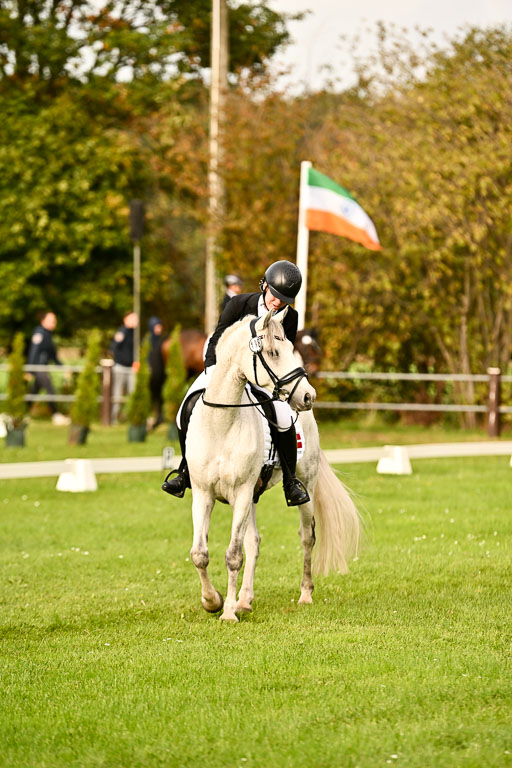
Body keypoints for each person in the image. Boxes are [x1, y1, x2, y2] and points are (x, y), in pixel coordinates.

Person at [162, 260, 310, 506]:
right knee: (184, 410)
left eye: (283, 299)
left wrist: (274, 383)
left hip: (264, 379)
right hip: (225, 373)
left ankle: (290, 482)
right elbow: (217, 337)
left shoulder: (290, 317)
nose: (277, 302)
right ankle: (185, 470)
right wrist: (212, 370)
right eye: (274, 295)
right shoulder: (239, 304)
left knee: (284, 418)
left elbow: (283, 354)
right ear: (265, 286)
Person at [27, 311, 70, 425]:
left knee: (33, 392)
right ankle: (56, 415)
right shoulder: (39, 333)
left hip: (43, 367)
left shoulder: (49, 335)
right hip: (38, 368)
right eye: (51, 320)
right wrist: (30, 370)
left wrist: (63, 368)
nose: (54, 322)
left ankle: (23, 413)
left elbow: (53, 356)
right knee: (50, 389)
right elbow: (33, 352)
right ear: (43, 321)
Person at [110, 310, 138, 422]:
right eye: (133, 318)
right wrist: (121, 360)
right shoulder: (122, 332)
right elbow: (113, 348)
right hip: (121, 367)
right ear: (126, 319)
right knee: (117, 394)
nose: (136, 321)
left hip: (131, 368)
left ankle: (132, 417)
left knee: (132, 393)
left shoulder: (135, 333)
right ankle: (113, 418)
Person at [147, 316, 165, 427]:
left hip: (160, 373)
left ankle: (160, 416)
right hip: (151, 372)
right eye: (157, 326)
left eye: (160, 326)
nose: (159, 329)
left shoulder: (162, 340)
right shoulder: (148, 340)